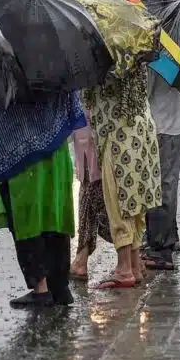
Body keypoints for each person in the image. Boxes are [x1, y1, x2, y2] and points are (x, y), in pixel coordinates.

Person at [0, 92, 85, 307]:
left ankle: (41, 288)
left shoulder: (8, 61)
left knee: (27, 218)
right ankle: (60, 286)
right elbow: (72, 106)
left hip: (19, 153)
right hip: (55, 149)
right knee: (53, 214)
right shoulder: (59, 60)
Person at [82, 47, 162, 284]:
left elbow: (91, 92)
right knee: (136, 202)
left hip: (118, 135)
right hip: (142, 129)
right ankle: (135, 264)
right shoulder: (136, 47)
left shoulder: (106, 55)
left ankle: (124, 268)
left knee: (119, 202)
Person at [142, 71, 180, 264]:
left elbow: (144, 94)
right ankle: (170, 236)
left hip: (159, 127)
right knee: (169, 184)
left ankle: (160, 248)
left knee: (158, 186)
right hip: (175, 126)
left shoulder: (157, 63)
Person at [69, 118, 112, 281]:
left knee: (94, 194)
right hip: (92, 131)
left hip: (94, 131)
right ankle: (82, 256)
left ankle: (130, 255)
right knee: (89, 194)